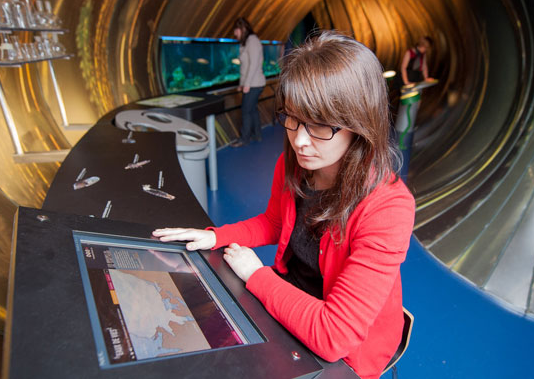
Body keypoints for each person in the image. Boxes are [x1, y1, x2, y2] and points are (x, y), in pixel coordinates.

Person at [153, 32, 415, 378]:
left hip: (347, 354)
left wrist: (257, 275)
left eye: (320, 125)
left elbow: (333, 335)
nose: (300, 140)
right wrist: (215, 236)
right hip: (292, 301)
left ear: (359, 124)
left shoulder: (388, 208)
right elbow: (276, 224)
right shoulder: (295, 164)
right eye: (292, 118)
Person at [231, 17, 266, 147]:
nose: (235, 34)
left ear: (242, 28)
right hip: (252, 83)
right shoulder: (245, 42)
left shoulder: (253, 41)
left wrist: (247, 84)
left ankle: (244, 139)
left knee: (246, 111)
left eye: (236, 30)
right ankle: (257, 135)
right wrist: (242, 84)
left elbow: (254, 65)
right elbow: (244, 68)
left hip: (255, 84)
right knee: (252, 110)